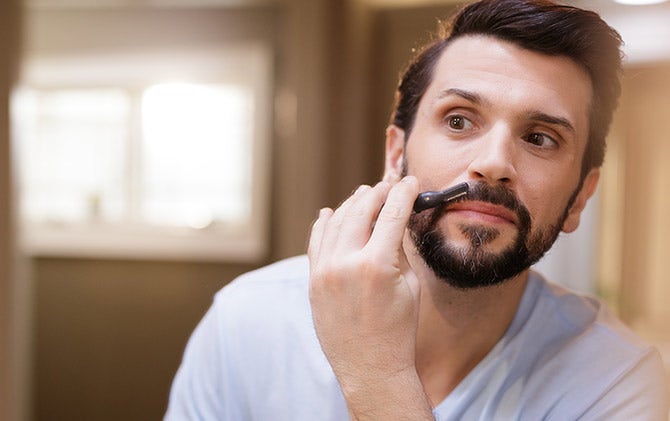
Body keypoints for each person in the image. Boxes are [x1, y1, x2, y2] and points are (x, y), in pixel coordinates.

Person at [165, 0, 669, 419]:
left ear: (581, 196)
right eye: (458, 121)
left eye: (539, 138)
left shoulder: (618, 382)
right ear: (394, 155)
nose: (493, 164)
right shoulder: (245, 320)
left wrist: (377, 374)